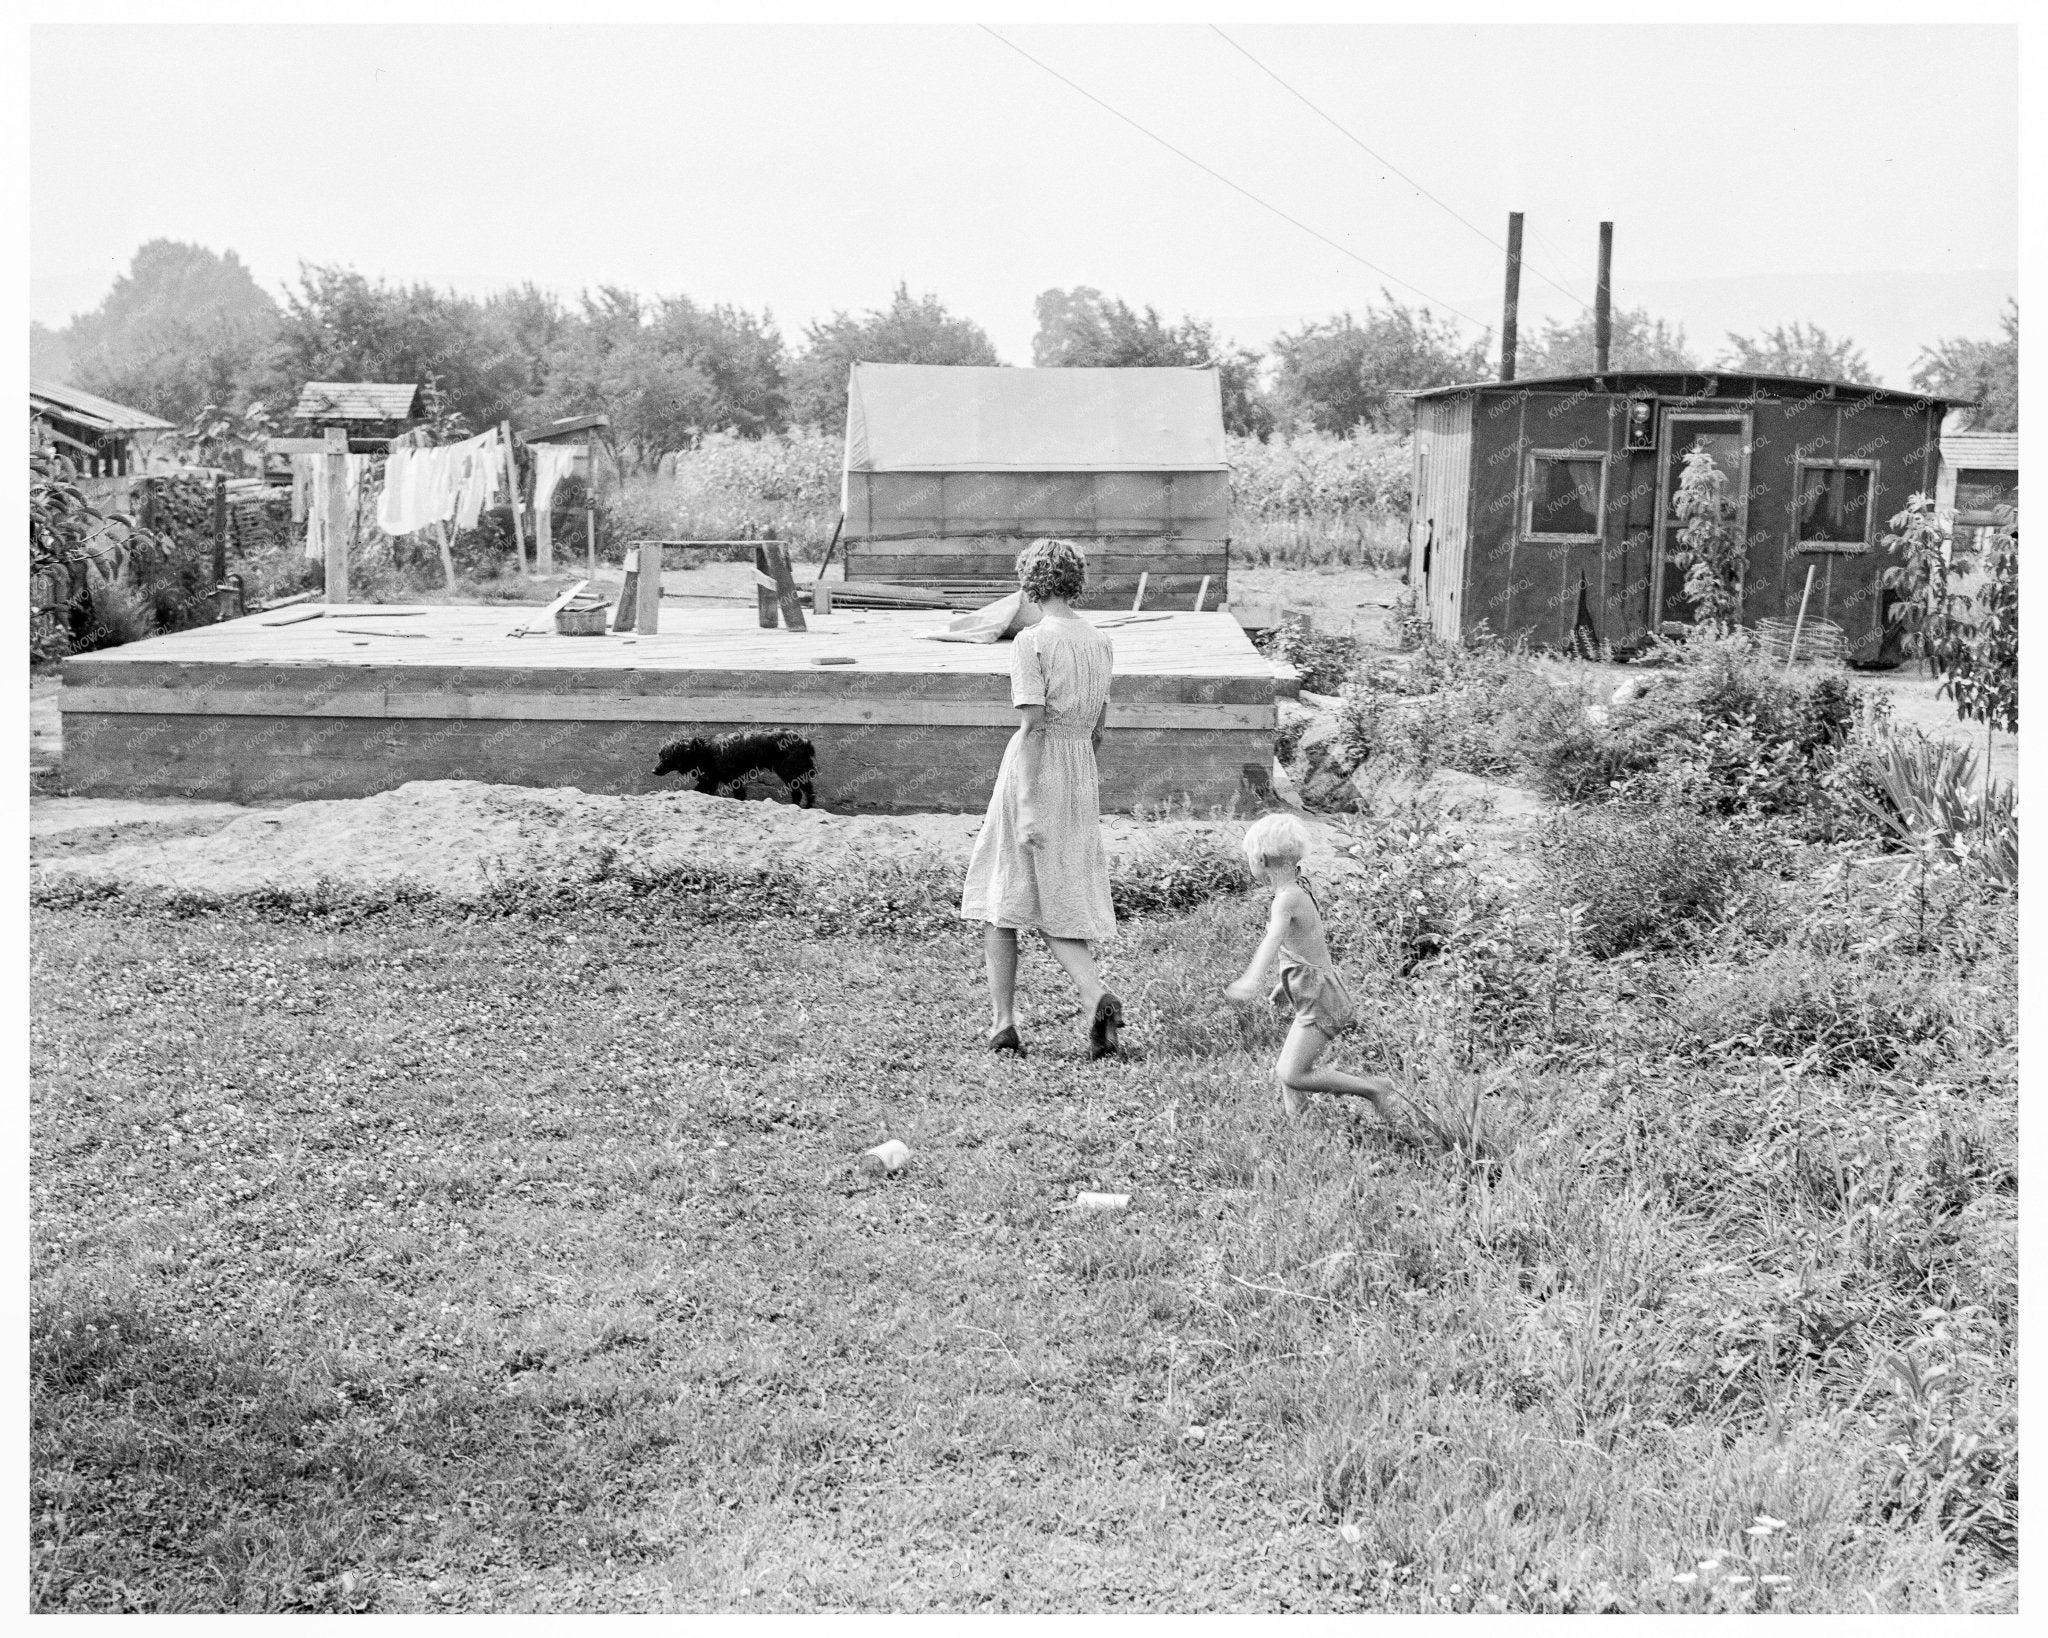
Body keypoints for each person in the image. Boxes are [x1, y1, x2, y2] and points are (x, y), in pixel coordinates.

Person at [960, 538, 1124, 1061]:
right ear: (1076, 581)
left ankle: (1004, 1021)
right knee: (1059, 892)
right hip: (1078, 772)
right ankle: (1093, 993)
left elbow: (1032, 726)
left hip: (1035, 771)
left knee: (1003, 893)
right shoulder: (1100, 641)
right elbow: (1099, 728)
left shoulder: (1031, 640)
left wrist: (1028, 802)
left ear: (1030, 583)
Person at [1224, 812, 1397, 1120]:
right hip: (1319, 994)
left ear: (1261, 859)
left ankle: (1373, 1088)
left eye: (1249, 858)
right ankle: (1298, 1123)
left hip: (1322, 1000)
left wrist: (1251, 979)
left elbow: (1273, 940)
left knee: (1293, 1074)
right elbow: (1307, 945)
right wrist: (1284, 984)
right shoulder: (1299, 887)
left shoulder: (1285, 900)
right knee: (1287, 1068)